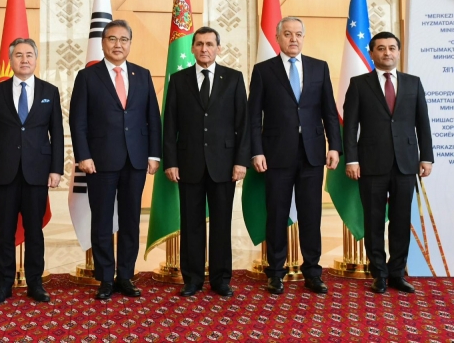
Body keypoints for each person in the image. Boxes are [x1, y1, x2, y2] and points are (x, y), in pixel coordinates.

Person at [248, 16, 342, 295]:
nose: (293, 39)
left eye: (298, 34)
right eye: (287, 34)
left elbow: (329, 112)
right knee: (276, 214)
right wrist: (256, 150)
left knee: (311, 214)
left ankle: (312, 271)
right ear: (277, 38)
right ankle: (275, 272)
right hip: (275, 155)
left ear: (303, 37)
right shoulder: (264, 70)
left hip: (312, 154)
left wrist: (334, 146)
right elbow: (254, 116)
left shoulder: (319, 68)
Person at [69, 19, 161, 300]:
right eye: (112, 39)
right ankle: (106, 278)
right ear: (103, 43)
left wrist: (154, 154)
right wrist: (83, 156)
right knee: (102, 221)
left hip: (135, 161)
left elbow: (152, 119)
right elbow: (78, 120)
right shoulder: (88, 76)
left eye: (123, 39)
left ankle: (126, 276)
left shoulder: (142, 75)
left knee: (131, 220)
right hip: (100, 162)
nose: (118, 44)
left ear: (130, 44)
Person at [343, 31, 433, 294]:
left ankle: (397, 273)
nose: (387, 53)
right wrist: (352, 160)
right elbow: (350, 127)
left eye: (392, 48)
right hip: (370, 164)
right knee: (373, 220)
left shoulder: (413, 83)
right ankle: (379, 274)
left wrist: (426, 156)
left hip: (406, 164)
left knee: (401, 219)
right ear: (372, 54)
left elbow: (422, 123)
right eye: (381, 48)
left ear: (398, 51)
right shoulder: (359, 84)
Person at [163, 26, 249, 297]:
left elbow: (243, 124)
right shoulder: (178, 80)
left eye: (210, 44)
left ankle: (221, 279)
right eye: (199, 44)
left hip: (224, 164)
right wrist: (171, 161)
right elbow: (170, 126)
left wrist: (240, 161)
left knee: (222, 224)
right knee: (191, 224)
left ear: (218, 48)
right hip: (188, 163)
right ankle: (193, 279)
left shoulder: (234, 79)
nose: (204, 49)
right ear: (192, 48)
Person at [0, 38, 63, 304]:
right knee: (4, 231)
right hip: (4, 171)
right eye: (18, 55)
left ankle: (35, 283)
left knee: (34, 232)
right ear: (11, 60)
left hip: (37, 172)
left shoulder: (50, 90)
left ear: (36, 59)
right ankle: (3, 285)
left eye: (29, 55)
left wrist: (56, 169)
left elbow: (57, 133)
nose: (24, 59)